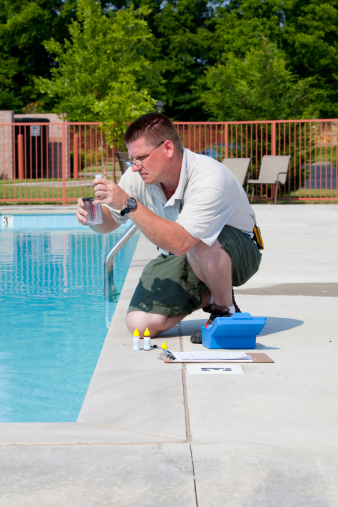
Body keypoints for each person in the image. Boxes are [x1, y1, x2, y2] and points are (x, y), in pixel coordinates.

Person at [76, 113, 262, 343]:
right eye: (131, 159)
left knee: (200, 241)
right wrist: (92, 218)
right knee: (140, 326)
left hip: (237, 254)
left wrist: (128, 203)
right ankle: (206, 294)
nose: (134, 167)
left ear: (167, 148)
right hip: (183, 254)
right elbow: (110, 222)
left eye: (140, 158)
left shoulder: (209, 177)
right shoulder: (138, 177)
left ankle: (225, 310)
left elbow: (182, 241)